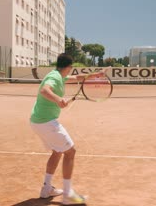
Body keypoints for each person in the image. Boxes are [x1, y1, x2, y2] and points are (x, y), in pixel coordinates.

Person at [30, 53, 104, 205]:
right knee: (70, 152)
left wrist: (95, 75)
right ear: (69, 67)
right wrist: (58, 99)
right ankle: (68, 194)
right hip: (46, 123)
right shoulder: (55, 77)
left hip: (37, 121)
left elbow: (78, 78)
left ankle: (47, 189)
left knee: (57, 152)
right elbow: (45, 90)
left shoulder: (58, 75)